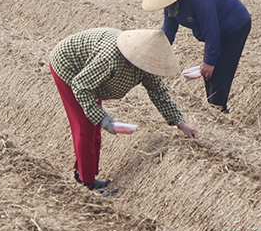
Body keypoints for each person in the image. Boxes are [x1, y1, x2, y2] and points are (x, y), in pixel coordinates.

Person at [49, 28, 199, 195]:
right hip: (69, 69)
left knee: (94, 126)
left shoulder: (145, 64)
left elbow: (159, 93)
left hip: (88, 77)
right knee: (85, 126)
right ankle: (87, 184)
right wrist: (103, 118)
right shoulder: (110, 58)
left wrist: (180, 123)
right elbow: (81, 86)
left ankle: (84, 174)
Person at [142, 0, 251, 114]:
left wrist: (209, 61)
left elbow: (211, 30)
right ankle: (215, 107)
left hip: (234, 25)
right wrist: (154, 57)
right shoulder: (171, 5)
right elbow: (168, 32)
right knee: (210, 72)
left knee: (218, 71)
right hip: (215, 30)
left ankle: (218, 111)